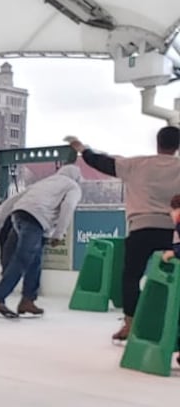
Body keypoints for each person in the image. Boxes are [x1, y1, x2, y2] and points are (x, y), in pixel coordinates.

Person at [66, 126, 180, 342]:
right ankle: (173, 325)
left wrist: (81, 148)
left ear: (158, 142)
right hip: (174, 232)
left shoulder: (136, 165)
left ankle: (130, 322)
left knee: (131, 276)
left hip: (141, 228)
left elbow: (101, 162)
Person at [0, 162, 81, 319]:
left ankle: (28, 300)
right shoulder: (73, 187)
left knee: (35, 261)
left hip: (19, 216)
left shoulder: (44, 182)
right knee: (23, 259)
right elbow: (68, 207)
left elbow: (10, 201)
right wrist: (59, 234)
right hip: (36, 219)